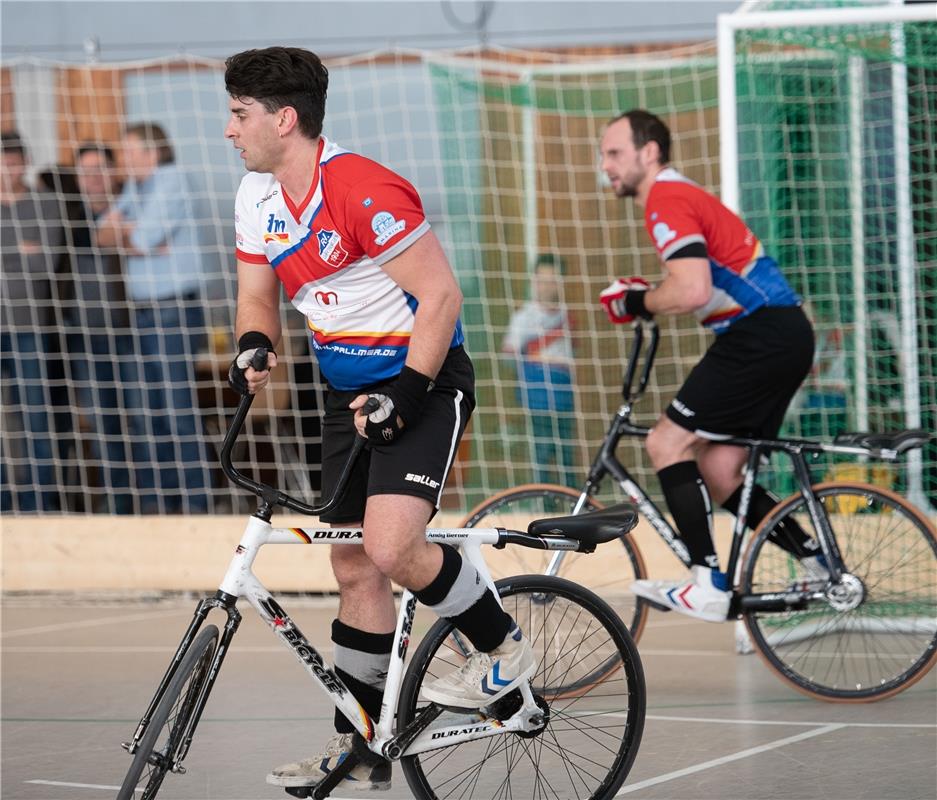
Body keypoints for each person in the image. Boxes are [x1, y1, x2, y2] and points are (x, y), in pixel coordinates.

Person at [223, 46, 535, 792]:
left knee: (391, 545)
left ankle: (503, 649)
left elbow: (442, 297)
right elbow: (256, 297)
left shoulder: (362, 188)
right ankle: (359, 742)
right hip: (346, 394)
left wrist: (408, 388)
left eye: (239, 115)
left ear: (284, 118)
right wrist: (253, 342)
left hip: (421, 380)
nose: (230, 131)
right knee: (352, 564)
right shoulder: (257, 196)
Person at [598, 109, 823, 622]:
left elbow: (692, 289)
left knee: (665, 442)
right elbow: (692, 285)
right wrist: (648, 294)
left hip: (761, 333)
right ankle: (815, 562)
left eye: (613, 153)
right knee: (720, 471)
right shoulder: (678, 196)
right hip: (779, 333)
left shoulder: (666, 198)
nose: (605, 165)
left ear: (648, 152)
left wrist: (636, 303)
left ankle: (706, 581)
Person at [96, 122, 210, 513]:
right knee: (147, 414)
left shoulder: (170, 179)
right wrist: (136, 238)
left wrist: (134, 237)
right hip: (141, 313)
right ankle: (160, 508)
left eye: (129, 153)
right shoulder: (135, 188)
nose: (123, 161)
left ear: (152, 153)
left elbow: (138, 240)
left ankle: (196, 507)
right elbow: (103, 235)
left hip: (173, 310)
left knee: (177, 413)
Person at [59, 143, 133, 513]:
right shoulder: (67, 218)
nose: (92, 179)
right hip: (85, 336)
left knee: (141, 418)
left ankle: (152, 503)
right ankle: (116, 505)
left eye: (100, 170)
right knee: (103, 425)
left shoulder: (134, 209)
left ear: (113, 173)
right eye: (85, 172)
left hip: (134, 331)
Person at [0, 131, 66, 512]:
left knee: (36, 416)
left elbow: (44, 264)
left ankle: (42, 505)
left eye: (13, 162)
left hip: (29, 327)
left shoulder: (46, 202)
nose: (8, 170)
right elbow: (27, 257)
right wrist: (19, 248)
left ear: (24, 163)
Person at [502, 253, 578, 486]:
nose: (547, 285)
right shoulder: (524, 317)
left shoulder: (568, 315)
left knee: (567, 458)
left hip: (564, 397)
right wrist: (536, 360)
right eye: (542, 279)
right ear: (534, 280)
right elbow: (508, 355)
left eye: (553, 279)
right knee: (542, 455)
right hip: (537, 398)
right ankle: (542, 508)